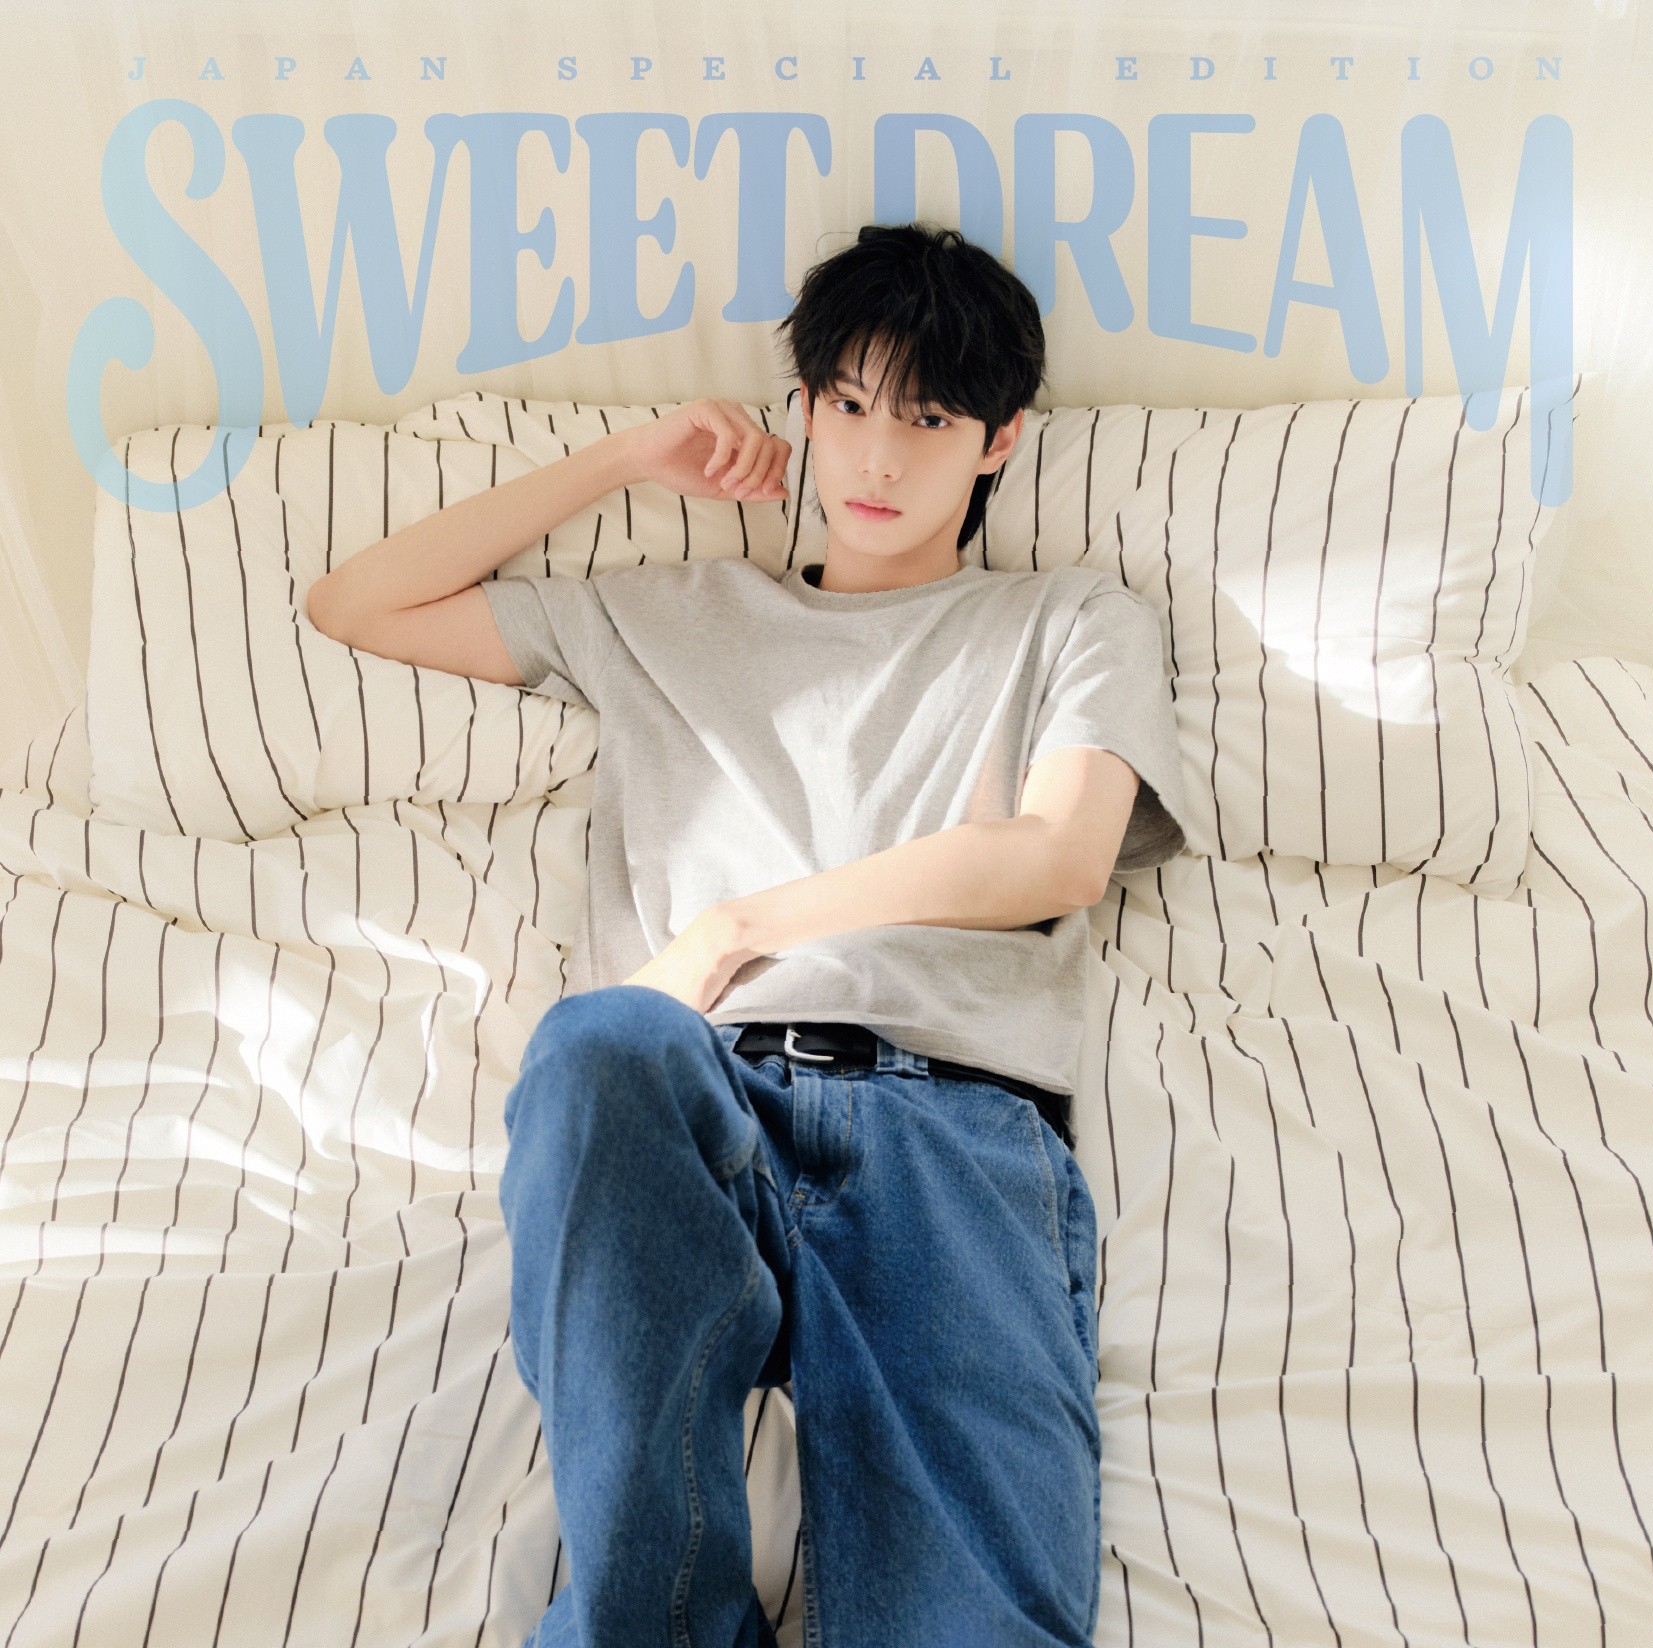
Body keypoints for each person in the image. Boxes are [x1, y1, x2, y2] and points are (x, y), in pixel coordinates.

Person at [305, 222, 1190, 1648]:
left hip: (947, 1123)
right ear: (804, 410)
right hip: (690, 1092)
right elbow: (355, 604)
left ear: (1000, 441)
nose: (876, 457)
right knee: (596, 1046)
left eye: (927, 418)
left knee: (968, 1627)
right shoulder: (672, 614)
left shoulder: (1068, 619)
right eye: (845, 404)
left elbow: (1061, 854)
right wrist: (622, 459)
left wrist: (735, 926)